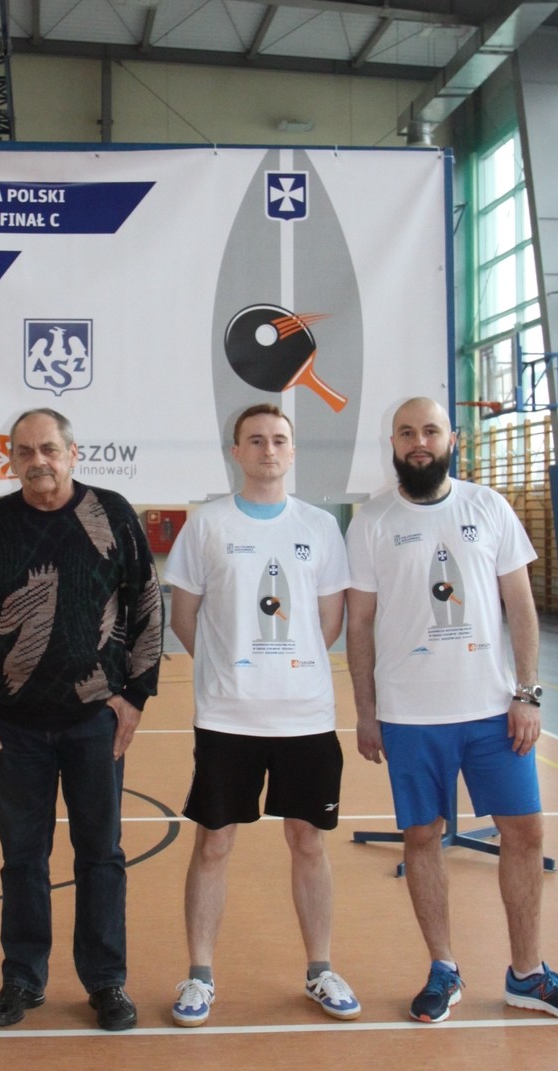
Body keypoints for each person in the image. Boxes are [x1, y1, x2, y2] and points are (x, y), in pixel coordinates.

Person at [344, 395, 558, 1023]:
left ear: (451, 439)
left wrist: (527, 694)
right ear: (393, 443)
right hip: (409, 714)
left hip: (492, 711)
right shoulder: (372, 520)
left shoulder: (488, 507)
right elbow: (359, 624)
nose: (419, 442)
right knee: (421, 837)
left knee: (525, 832)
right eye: (407, 432)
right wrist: (366, 711)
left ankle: (528, 975)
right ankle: (443, 968)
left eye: (430, 430)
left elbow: (522, 607)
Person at [0, 408, 163, 1031]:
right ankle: (23, 978)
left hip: (95, 720)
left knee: (101, 854)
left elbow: (148, 603)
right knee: (22, 857)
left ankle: (106, 981)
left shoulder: (111, 513)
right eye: (24, 451)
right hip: (14, 725)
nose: (37, 461)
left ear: (72, 453)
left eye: (48, 449)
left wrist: (135, 696)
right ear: (11, 460)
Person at [163, 403, 360, 1027]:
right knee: (214, 842)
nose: (268, 450)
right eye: (255, 440)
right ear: (236, 451)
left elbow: (329, 621)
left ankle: (321, 968)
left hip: (306, 717)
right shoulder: (207, 525)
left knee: (308, 841)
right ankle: (199, 975)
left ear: (291, 451)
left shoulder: (320, 527)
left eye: (278, 440)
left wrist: (288, 666)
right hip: (228, 717)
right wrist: (228, 669)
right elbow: (184, 616)